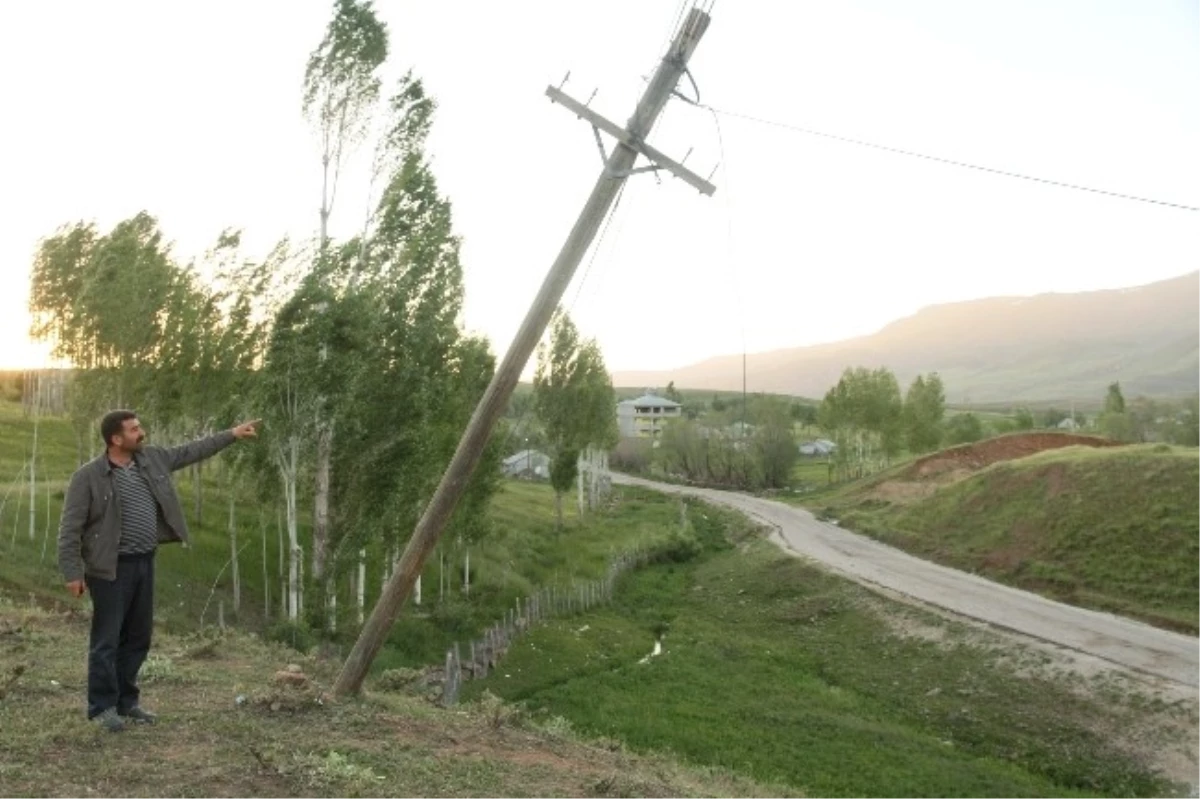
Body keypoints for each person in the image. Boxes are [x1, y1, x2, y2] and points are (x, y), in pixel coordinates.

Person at [57, 410, 260, 732]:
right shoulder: (88, 477)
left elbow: (192, 450)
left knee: (138, 637)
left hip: (143, 562)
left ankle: (127, 702)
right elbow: (70, 529)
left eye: (140, 426)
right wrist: (72, 572)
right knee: (107, 640)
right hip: (109, 570)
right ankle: (101, 708)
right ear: (116, 439)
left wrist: (231, 434)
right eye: (135, 429)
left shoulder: (152, 459)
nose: (142, 432)